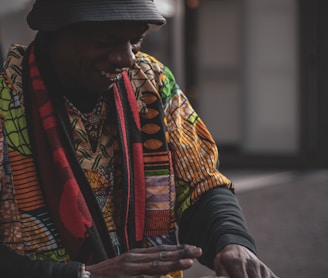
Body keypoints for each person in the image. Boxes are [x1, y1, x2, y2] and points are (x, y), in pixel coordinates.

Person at [0, 0, 278, 277]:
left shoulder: (150, 79)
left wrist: (231, 239)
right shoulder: (6, 96)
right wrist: (84, 275)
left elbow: (198, 179)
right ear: (55, 30)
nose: (127, 58)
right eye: (105, 41)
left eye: (136, 40)